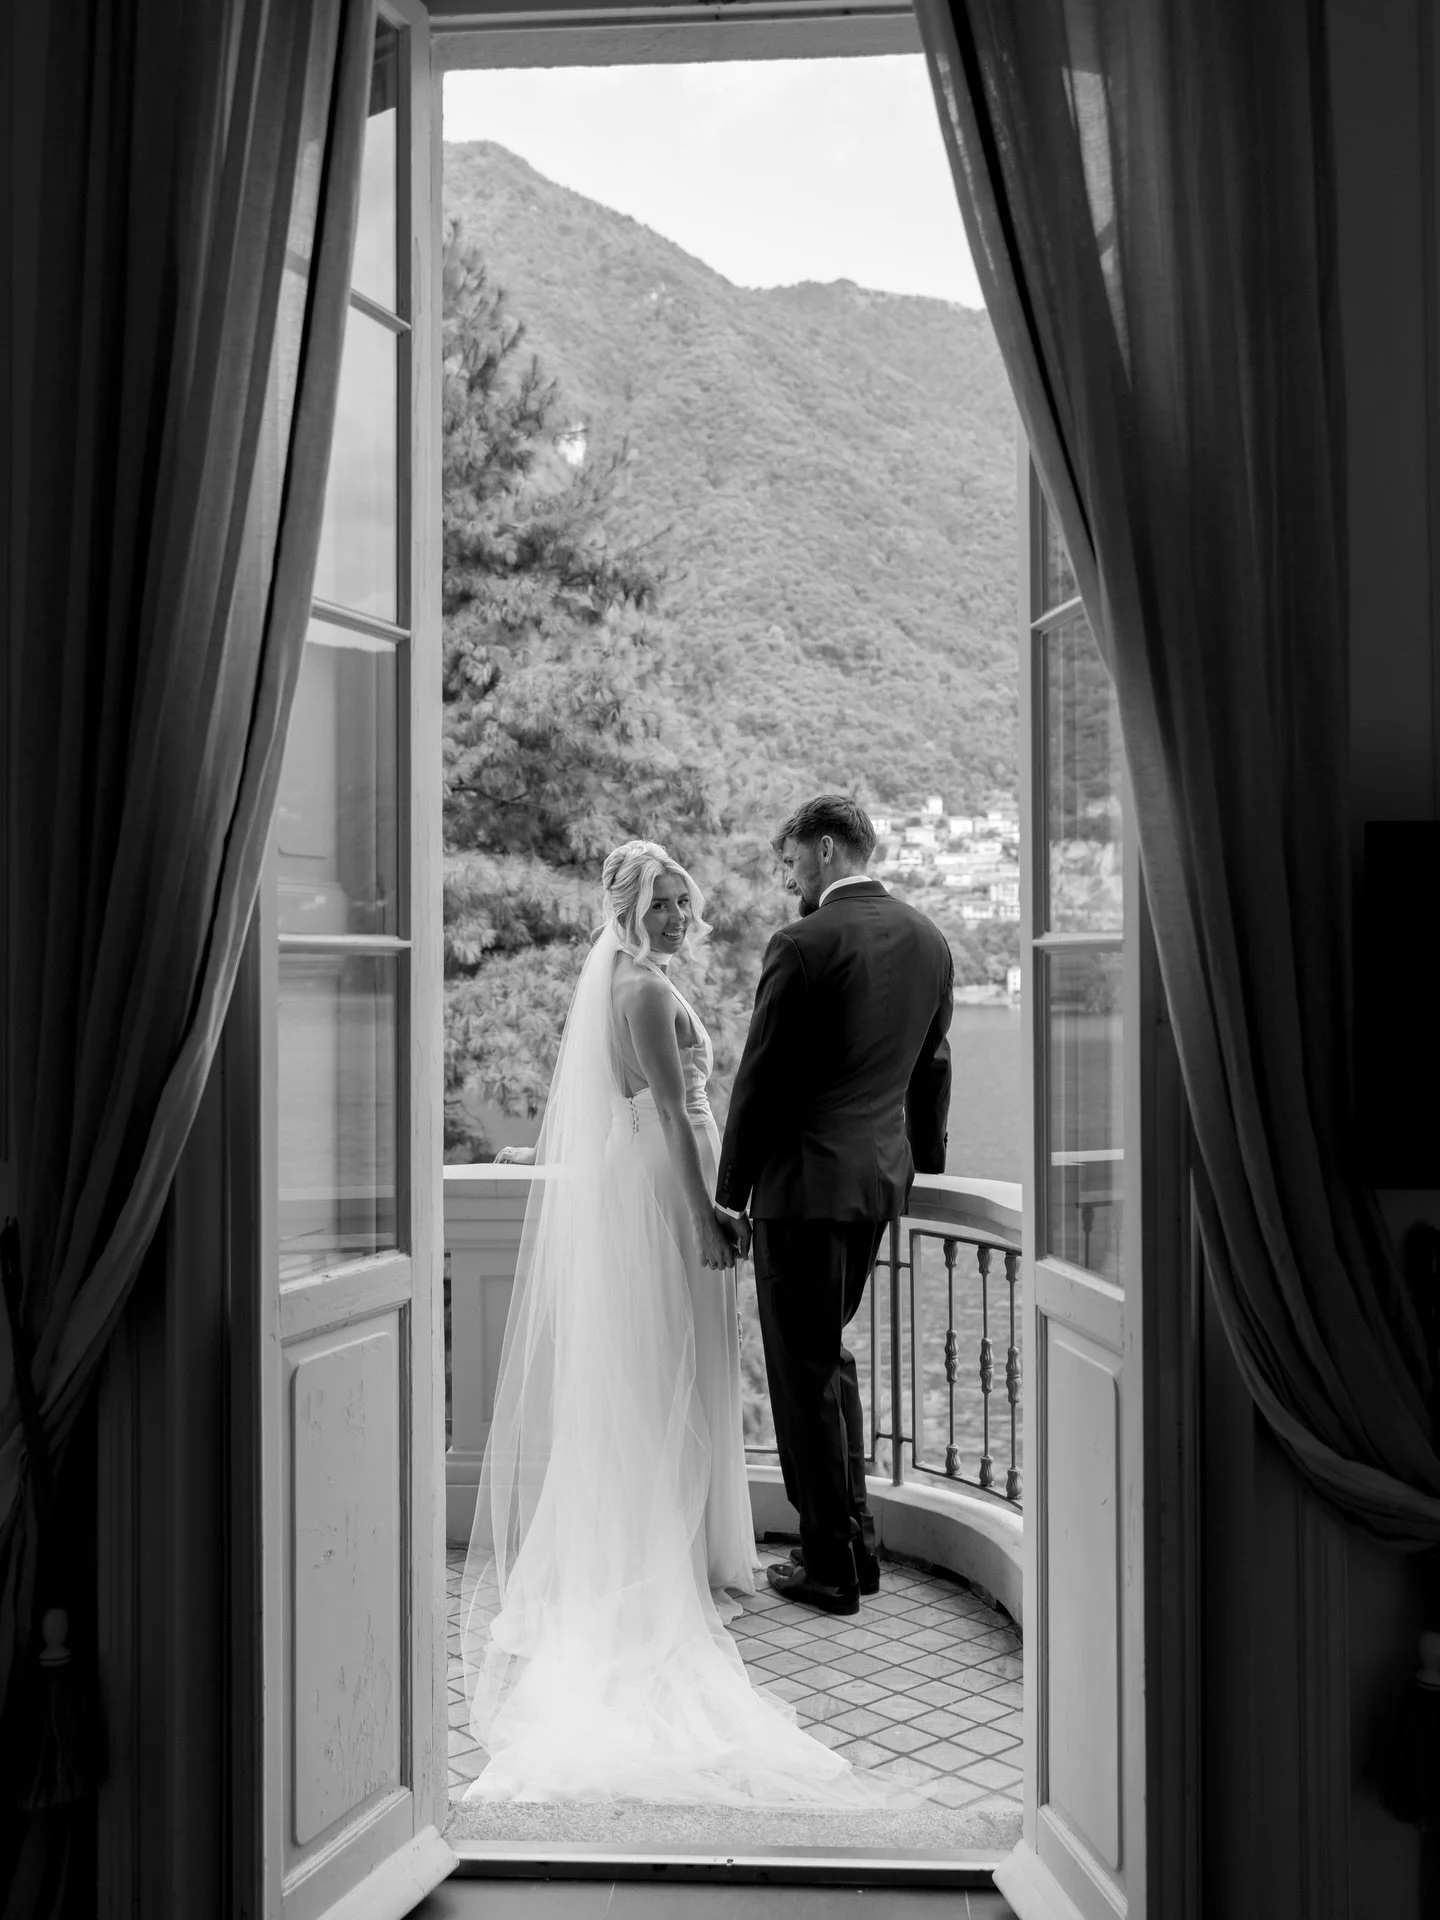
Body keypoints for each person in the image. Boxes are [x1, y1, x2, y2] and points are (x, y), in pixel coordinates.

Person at [462, 839, 892, 1806]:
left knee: (661, 1365)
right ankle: (664, 1562)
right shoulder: (645, 991)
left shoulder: (624, 982)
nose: (677, 916)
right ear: (628, 906)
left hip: (653, 1172)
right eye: (662, 902)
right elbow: (665, 1106)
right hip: (668, 1187)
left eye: (682, 902)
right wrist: (706, 1215)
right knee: (667, 1368)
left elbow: (615, 1106)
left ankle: (683, 1551)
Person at [716, 796, 954, 1617]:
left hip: (803, 1190)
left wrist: (728, 1194)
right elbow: (933, 1067)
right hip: (877, 1185)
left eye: (790, 863)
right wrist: (926, 1165)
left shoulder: (803, 943)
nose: (788, 881)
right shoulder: (929, 939)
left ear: (824, 850)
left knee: (801, 1372)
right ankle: (857, 1547)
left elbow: (760, 1082)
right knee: (827, 1361)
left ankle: (829, 1568)